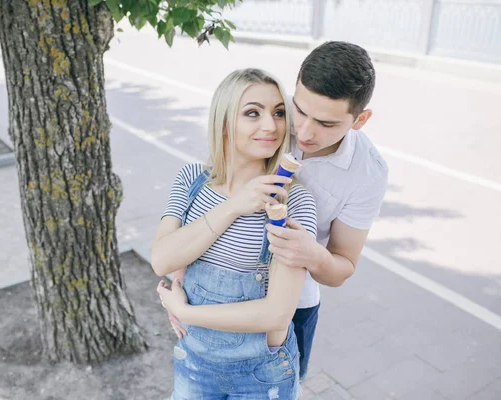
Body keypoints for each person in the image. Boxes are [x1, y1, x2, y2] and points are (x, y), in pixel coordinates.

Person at [164, 41, 389, 381]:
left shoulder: (367, 172)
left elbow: (342, 268)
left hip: (288, 311)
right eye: (299, 110)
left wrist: (313, 255)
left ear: (360, 119)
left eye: (327, 124)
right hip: (217, 294)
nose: (305, 132)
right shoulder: (271, 119)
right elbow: (210, 192)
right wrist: (179, 278)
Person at [151, 68, 317, 399]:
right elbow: (162, 259)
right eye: (252, 113)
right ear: (224, 122)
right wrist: (234, 205)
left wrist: (186, 313)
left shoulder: (293, 202)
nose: (271, 125)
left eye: (279, 113)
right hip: (194, 363)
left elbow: (277, 313)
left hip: (263, 374)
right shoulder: (192, 179)